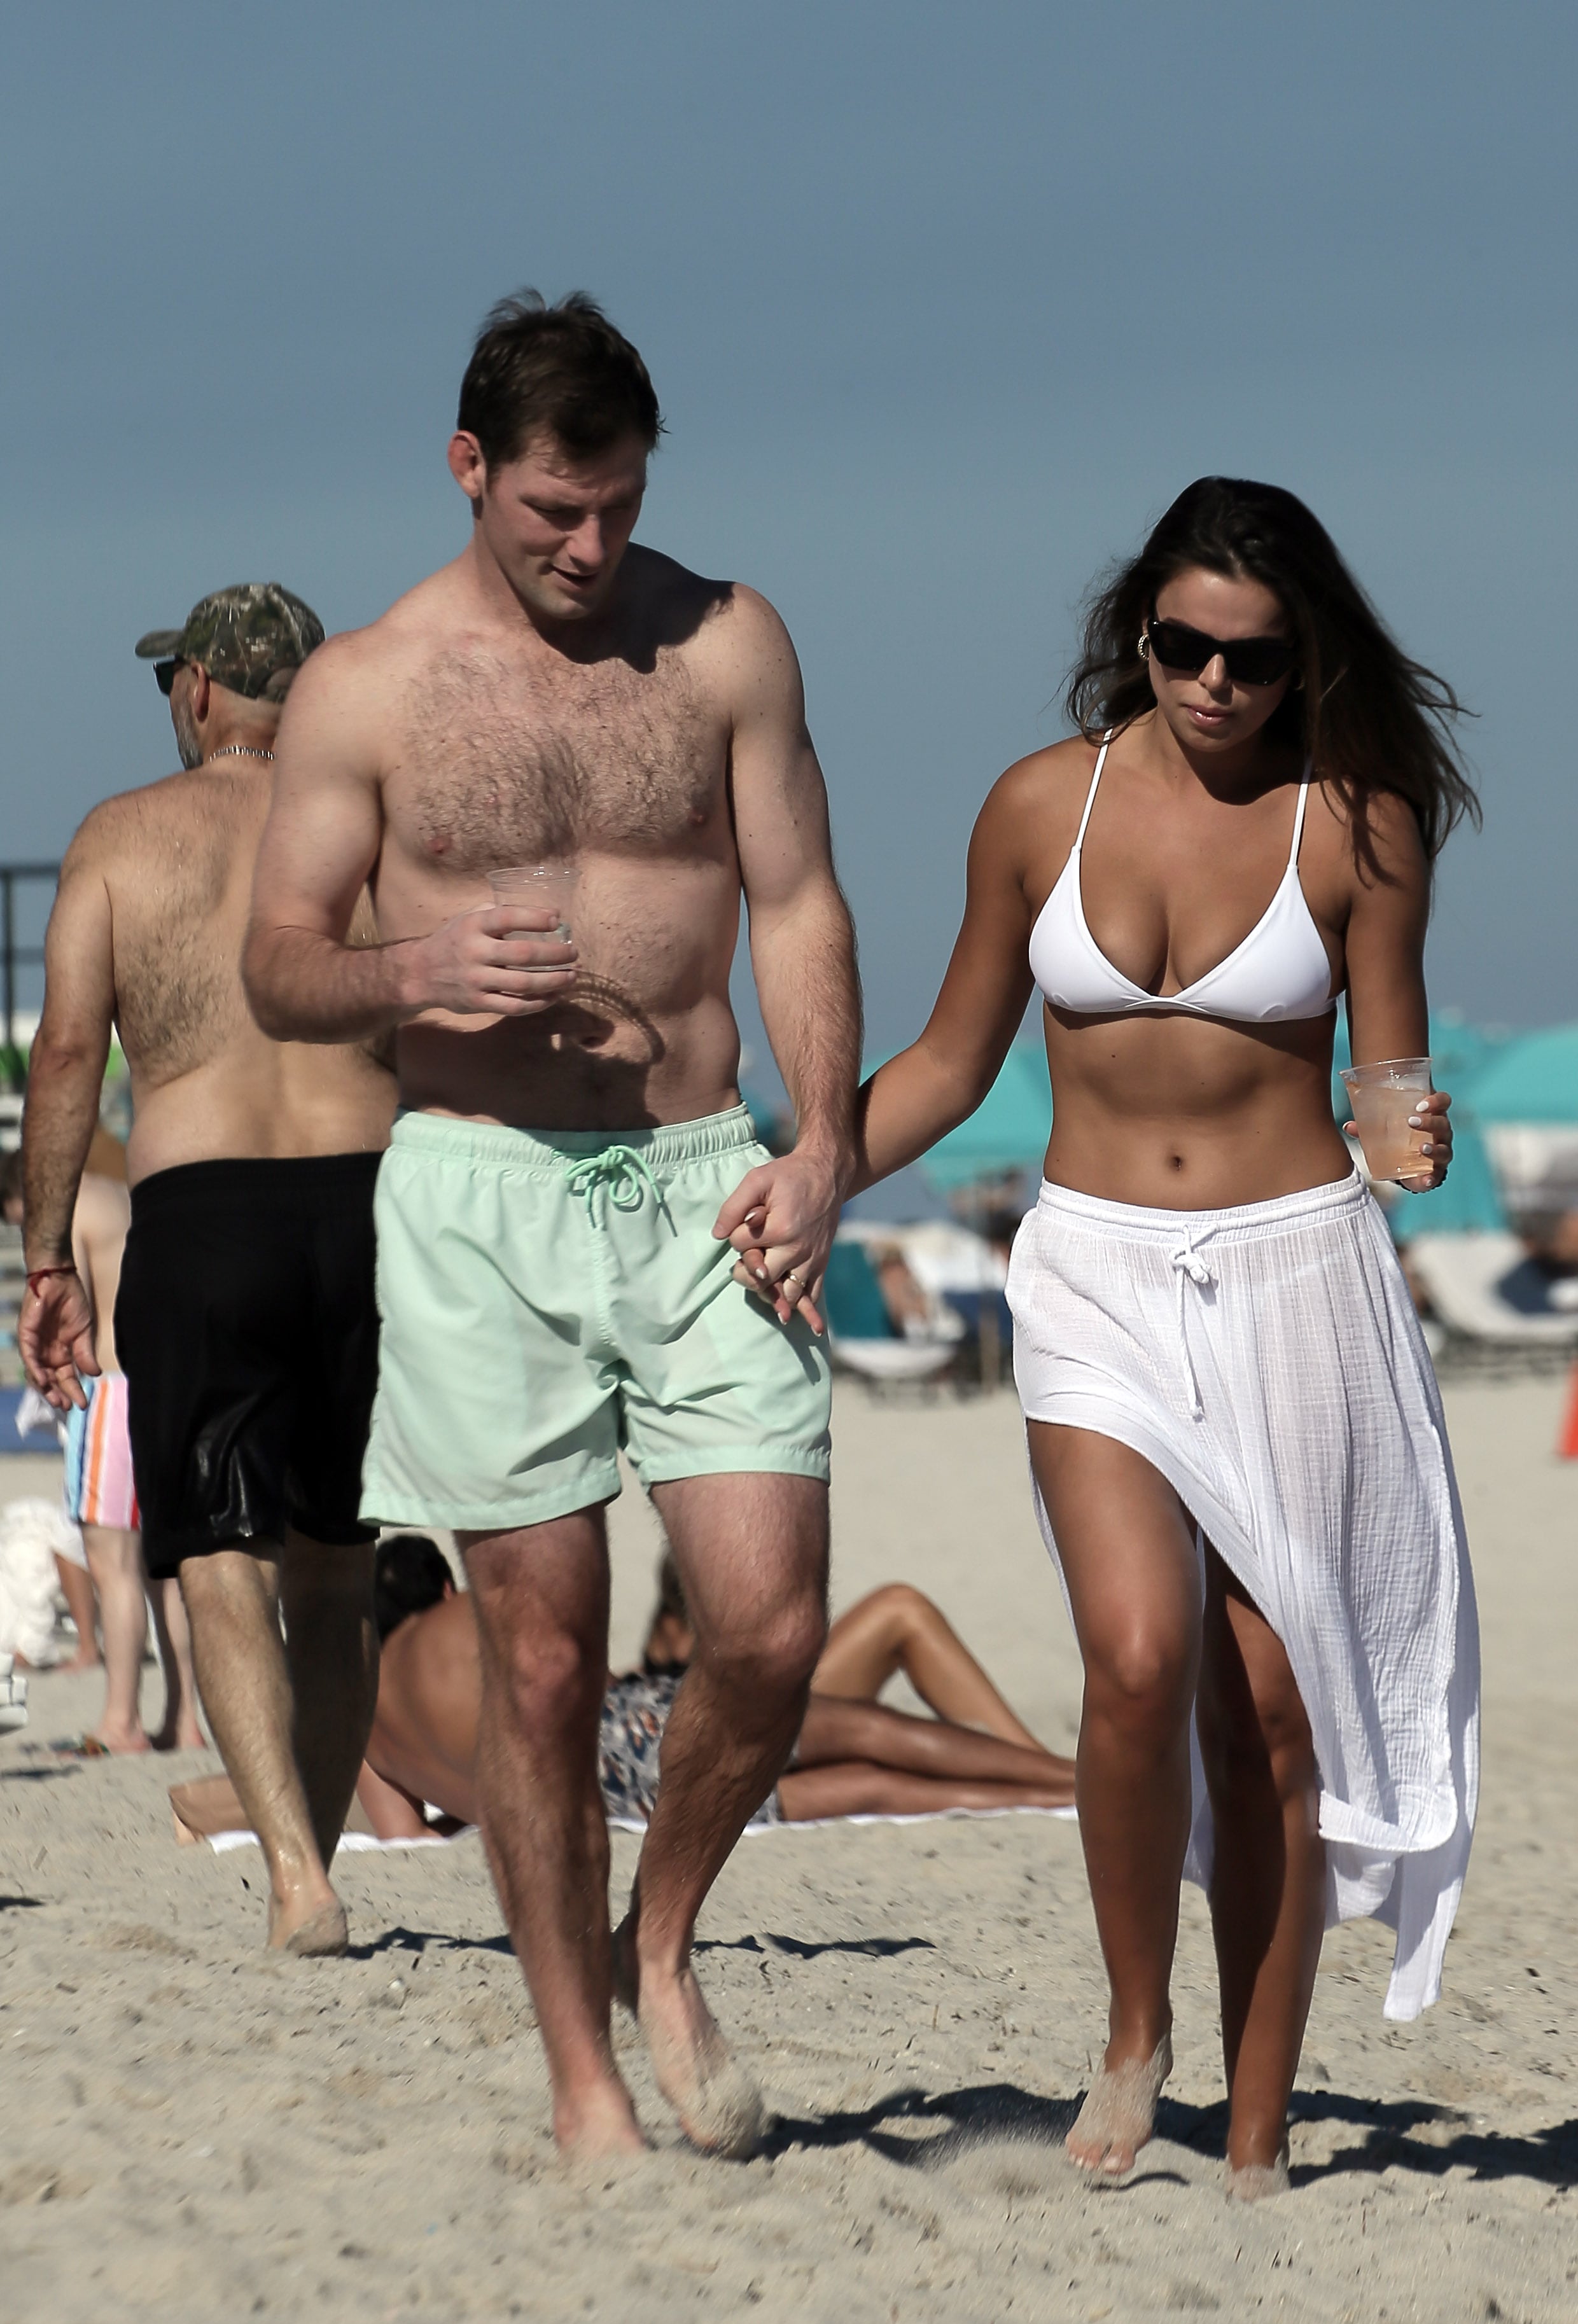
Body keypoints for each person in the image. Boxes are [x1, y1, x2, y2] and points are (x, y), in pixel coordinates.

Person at [792, 477, 1481, 2191]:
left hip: (1291, 1275)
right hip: (1093, 1266)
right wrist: (812, 1175)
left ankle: (1256, 2136)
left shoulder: (1360, 822)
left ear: (1299, 655)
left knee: (1271, 1719)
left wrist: (1411, 1130)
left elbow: (1381, 1076)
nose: (1217, 686)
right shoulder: (1043, 806)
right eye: (1184, 646)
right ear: (1137, 631)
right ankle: (1132, 2028)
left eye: (1253, 658)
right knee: (1131, 1653)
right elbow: (954, 1059)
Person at [241, 292, 860, 2160]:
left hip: (700, 1175)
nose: (590, 553)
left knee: (765, 1623)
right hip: (480, 1186)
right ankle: (585, 2075)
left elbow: (802, 904)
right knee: (541, 1653)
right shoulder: (365, 686)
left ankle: (657, 1940)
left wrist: (823, 1140)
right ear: (470, 470)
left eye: (617, 510)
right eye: (549, 517)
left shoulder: (728, 642)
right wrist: (411, 964)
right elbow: (278, 964)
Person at [17, 585, 396, 1954]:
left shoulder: (122, 836)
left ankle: (300, 1877)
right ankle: (324, 1836)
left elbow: (67, 1053)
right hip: (371, 1207)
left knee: (221, 1557)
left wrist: (47, 1254)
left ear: (194, 696)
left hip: (203, 1211)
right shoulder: (370, 830)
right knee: (339, 1564)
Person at [170, 1541, 1075, 1843]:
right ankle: (1069, 1785)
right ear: (438, 1590)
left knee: (868, 1791)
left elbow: (406, 1838)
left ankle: (1050, 1797)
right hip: (619, 1732)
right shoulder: (464, 1618)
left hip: (608, 1804)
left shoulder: (364, 1718)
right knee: (868, 1733)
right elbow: (575, 1677)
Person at [2, 1149, 201, 1751]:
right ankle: (185, 1720)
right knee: (164, 1570)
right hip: (165, 1385)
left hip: (109, 1391)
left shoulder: (64, 1214)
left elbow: (70, 1312)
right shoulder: (123, 1195)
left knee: (113, 1566)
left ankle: (122, 1720)